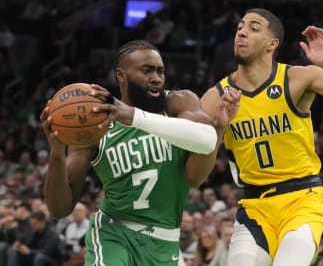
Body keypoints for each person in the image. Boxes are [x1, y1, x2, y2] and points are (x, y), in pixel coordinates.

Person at [40, 40, 241, 266]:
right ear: (121, 75)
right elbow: (59, 209)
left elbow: (197, 169)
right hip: (115, 233)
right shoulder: (96, 124)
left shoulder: (178, 103)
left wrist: (220, 128)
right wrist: (57, 152)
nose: (156, 78)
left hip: (166, 240)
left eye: (160, 71)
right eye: (147, 70)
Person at [200, 8, 323, 266]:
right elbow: (195, 160)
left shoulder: (296, 78)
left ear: (273, 44)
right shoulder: (215, 97)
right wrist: (218, 129)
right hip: (254, 206)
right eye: (240, 27)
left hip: (303, 199)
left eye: (254, 27)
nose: (242, 31)